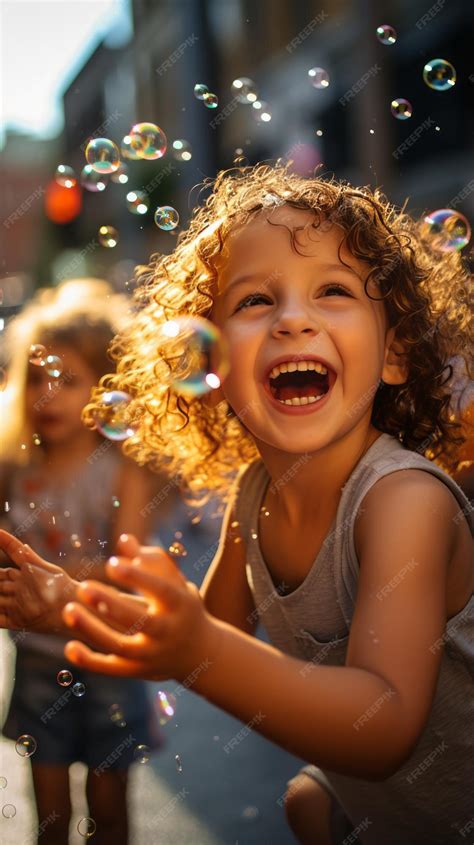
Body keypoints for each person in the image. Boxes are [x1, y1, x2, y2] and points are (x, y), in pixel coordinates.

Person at [1, 165, 472, 845]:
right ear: (213, 365)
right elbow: (194, 633)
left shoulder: (403, 501)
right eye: (255, 301)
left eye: (333, 290)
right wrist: (74, 603)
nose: (292, 320)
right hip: (384, 813)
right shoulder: (255, 497)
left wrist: (196, 644)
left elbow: (386, 723)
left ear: (395, 350)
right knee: (308, 803)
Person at [0, 278, 166, 845]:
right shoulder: (14, 468)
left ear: (109, 388)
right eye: (39, 377)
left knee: (109, 811)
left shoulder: (122, 469)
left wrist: (54, 580)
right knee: (49, 817)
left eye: (69, 380)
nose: (49, 394)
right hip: (39, 665)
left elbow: (127, 570)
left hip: (108, 660)